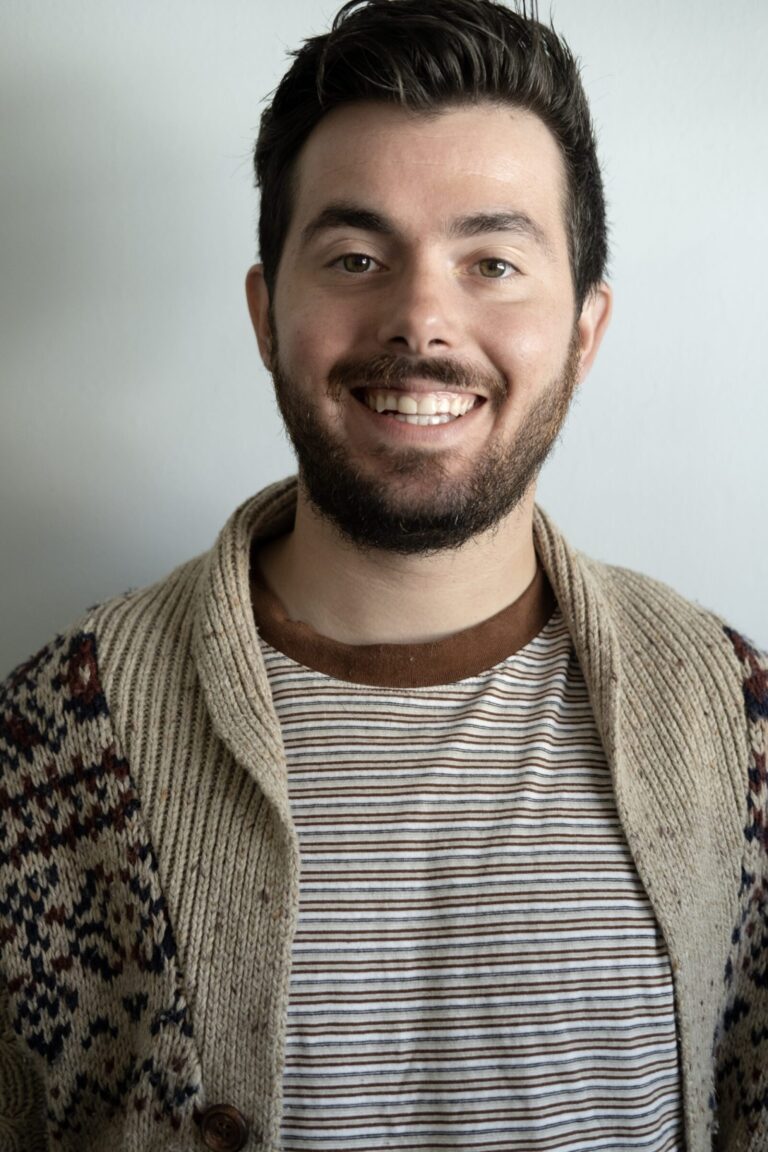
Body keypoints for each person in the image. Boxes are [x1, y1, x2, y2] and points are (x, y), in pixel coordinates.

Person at [0, 0, 765, 1149]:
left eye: (493, 262)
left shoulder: (736, 721)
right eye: (356, 258)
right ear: (268, 315)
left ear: (585, 332)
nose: (421, 317)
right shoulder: (52, 740)